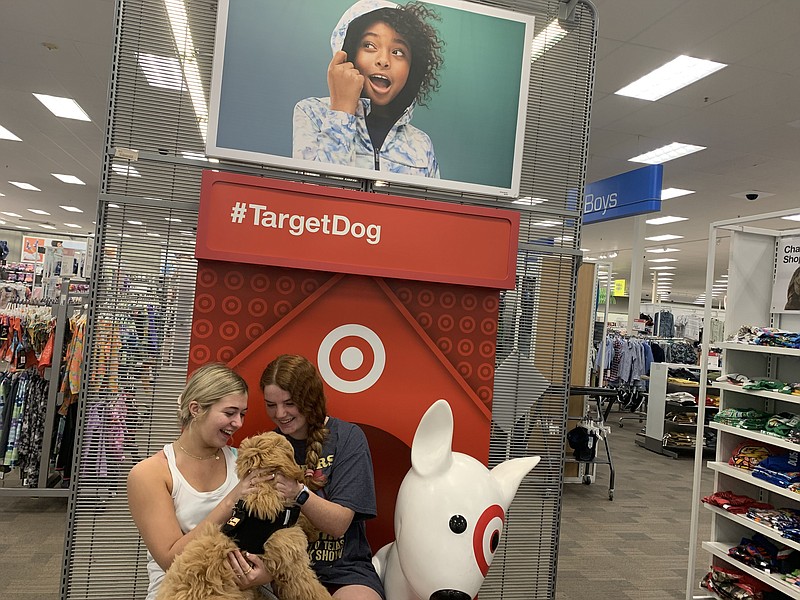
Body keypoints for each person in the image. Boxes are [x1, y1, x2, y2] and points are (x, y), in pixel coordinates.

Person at [127, 363, 274, 599]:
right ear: (195, 409)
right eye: (229, 413)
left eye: (242, 414)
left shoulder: (242, 462)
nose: (238, 423)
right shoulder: (150, 474)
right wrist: (230, 501)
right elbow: (171, 560)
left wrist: (266, 572)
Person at [260, 354, 384, 600]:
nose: (280, 413)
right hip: (285, 572)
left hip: (345, 571)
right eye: (271, 405)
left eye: (289, 403)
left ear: (310, 399)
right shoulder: (267, 447)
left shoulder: (348, 438)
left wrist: (298, 493)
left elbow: (338, 525)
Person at [293, 0, 444, 178]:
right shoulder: (312, 113)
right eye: (370, 45)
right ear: (350, 53)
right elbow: (312, 198)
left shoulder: (421, 145)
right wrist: (342, 110)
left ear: (412, 68)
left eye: (398, 52)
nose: (383, 60)